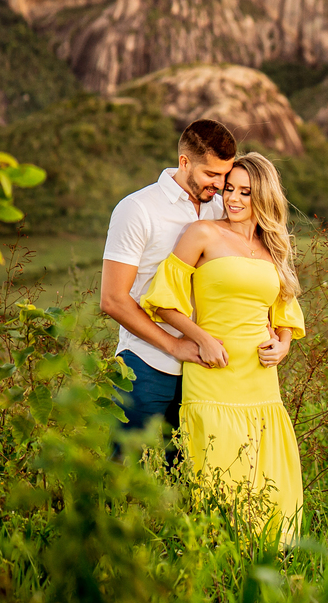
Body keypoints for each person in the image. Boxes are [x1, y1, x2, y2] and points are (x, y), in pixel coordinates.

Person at [140, 152, 306, 544]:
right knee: (219, 469)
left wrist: (282, 345)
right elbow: (162, 301)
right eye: (229, 189)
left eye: (245, 192)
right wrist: (200, 338)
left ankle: (269, 557)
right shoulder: (202, 233)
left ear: (263, 195)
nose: (232, 198)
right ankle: (218, 554)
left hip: (260, 380)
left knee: (265, 472)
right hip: (212, 372)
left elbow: (284, 311)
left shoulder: (273, 246)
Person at [100, 119, 237, 439]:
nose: (219, 185)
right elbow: (113, 299)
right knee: (127, 463)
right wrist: (175, 346)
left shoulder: (223, 209)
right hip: (147, 366)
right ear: (184, 162)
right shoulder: (137, 209)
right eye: (211, 174)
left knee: (190, 466)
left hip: (207, 370)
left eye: (225, 175)